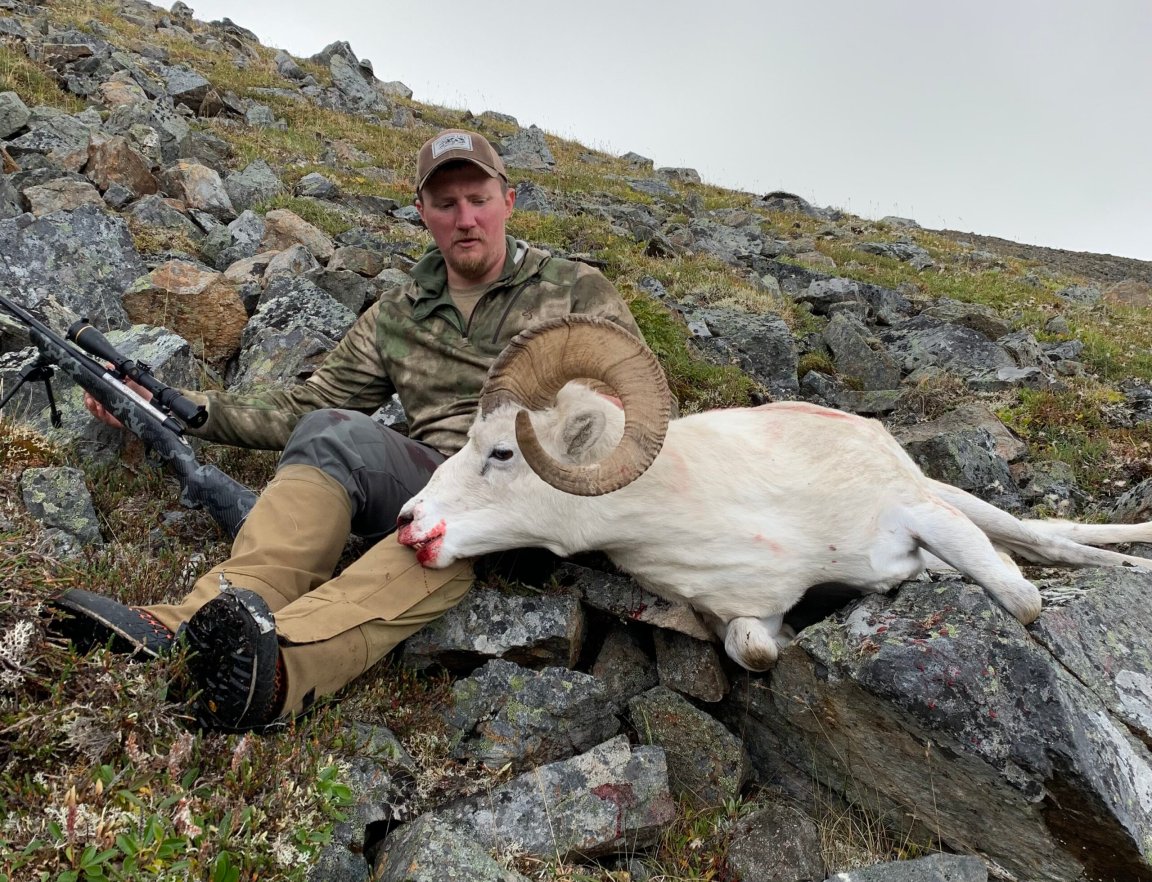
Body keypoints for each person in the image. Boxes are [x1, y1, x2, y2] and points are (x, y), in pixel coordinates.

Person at [53, 128, 646, 732]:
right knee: (328, 431)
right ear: (422, 212)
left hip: (536, 501)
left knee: (440, 526)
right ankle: (189, 624)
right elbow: (309, 402)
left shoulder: (575, 290)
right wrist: (181, 406)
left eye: (479, 199)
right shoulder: (399, 313)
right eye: (446, 204)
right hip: (441, 476)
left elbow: (632, 405)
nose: (466, 219)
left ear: (509, 201)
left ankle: (279, 668)